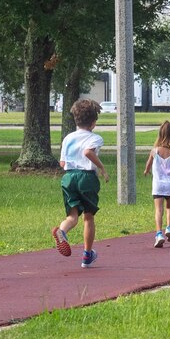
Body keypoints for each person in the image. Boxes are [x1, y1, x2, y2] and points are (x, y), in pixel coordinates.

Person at [54, 97, 106, 266]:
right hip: (86, 177)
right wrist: (102, 168)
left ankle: (62, 231)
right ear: (93, 122)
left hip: (68, 177)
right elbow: (88, 153)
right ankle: (87, 255)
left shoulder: (68, 138)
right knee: (88, 217)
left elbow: (62, 163)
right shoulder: (95, 138)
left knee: (72, 216)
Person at [144, 119, 170, 246]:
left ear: (160, 135)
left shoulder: (154, 151)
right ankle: (169, 227)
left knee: (158, 209)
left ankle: (158, 234)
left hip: (158, 184)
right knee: (169, 207)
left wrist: (146, 171)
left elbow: (148, 164)